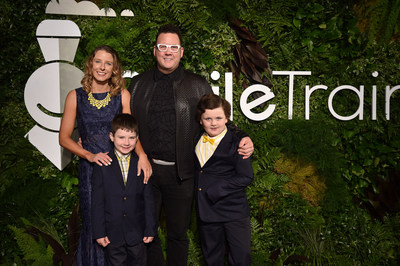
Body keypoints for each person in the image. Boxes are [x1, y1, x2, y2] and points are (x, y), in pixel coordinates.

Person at [128, 24, 254, 266]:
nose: (168, 52)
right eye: (163, 47)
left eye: (173, 47)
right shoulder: (137, 84)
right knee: (147, 233)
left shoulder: (197, 85)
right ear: (154, 50)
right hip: (146, 171)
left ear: (181, 51)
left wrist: (243, 136)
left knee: (177, 234)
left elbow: (218, 119)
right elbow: (125, 124)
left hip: (182, 175)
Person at [59, 45, 151, 265]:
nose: (102, 67)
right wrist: (88, 155)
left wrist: (143, 156)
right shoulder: (75, 96)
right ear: (90, 63)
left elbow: (131, 132)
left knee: (116, 223)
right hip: (90, 173)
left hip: (117, 171)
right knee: (94, 224)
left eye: (108, 63)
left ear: (114, 69)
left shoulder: (122, 95)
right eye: (98, 61)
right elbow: (64, 138)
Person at [195, 93, 253, 266]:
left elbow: (246, 177)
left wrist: (217, 189)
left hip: (234, 212)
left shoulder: (239, 143)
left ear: (227, 119)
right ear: (200, 120)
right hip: (207, 213)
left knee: (240, 259)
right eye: (208, 118)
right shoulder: (195, 140)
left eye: (218, 118)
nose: (214, 123)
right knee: (212, 259)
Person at [91, 113, 157, 266]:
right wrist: (99, 232)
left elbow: (148, 199)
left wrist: (150, 228)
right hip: (112, 233)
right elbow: (97, 202)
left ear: (137, 138)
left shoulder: (142, 164)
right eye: (121, 137)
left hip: (138, 232)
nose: (126, 143)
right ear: (111, 137)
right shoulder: (102, 165)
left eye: (131, 138)